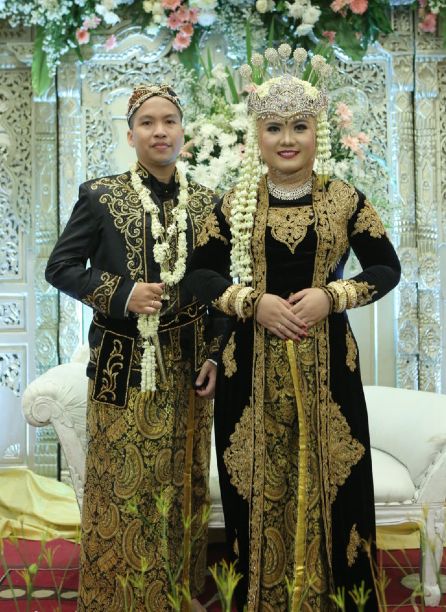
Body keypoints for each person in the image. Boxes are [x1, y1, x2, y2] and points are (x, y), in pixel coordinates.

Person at [184, 45, 401, 611]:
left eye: (299, 127)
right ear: (257, 135)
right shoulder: (233, 204)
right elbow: (200, 275)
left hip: (329, 365)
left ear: (316, 133)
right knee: (253, 485)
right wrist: (252, 303)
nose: (287, 139)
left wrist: (333, 296)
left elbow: (386, 268)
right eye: (274, 127)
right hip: (248, 369)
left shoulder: (346, 200)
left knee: (338, 484)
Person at [45, 84, 226, 611]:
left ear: (183, 132)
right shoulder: (100, 196)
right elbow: (61, 267)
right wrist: (123, 294)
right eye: (147, 123)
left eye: (169, 121)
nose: (159, 131)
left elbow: (221, 286)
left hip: (189, 366)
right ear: (131, 136)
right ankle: (119, 600)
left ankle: (178, 594)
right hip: (123, 366)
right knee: (123, 489)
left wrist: (215, 354)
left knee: (184, 484)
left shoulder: (209, 203)